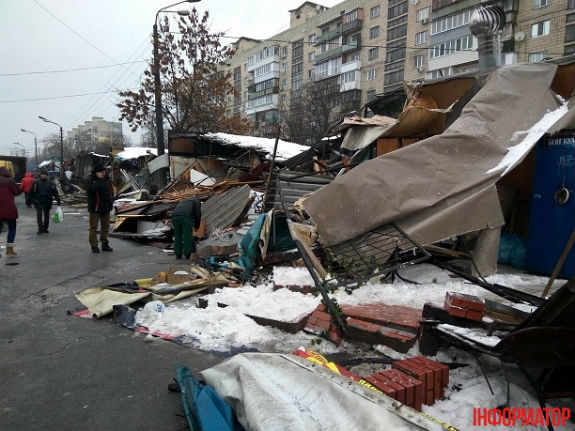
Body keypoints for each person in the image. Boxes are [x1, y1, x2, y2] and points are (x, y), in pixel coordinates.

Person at [85, 164, 114, 253]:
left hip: (106, 207)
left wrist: (111, 202)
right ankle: (94, 245)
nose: (103, 173)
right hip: (95, 207)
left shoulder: (107, 180)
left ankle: (104, 243)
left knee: (105, 226)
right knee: (93, 227)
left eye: (103, 171)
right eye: (100, 172)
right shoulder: (90, 180)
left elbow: (110, 192)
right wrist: (100, 181)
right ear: (96, 172)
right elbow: (91, 190)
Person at [0, 167, 22, 263]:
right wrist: (21, 188)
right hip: (9, 209)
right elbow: (16, 192)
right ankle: (9, 250)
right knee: (12, 229)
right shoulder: (10, 180)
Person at [30, 170, 60, 234]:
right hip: (38, 201)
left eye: (45, 174)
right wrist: (32, 200)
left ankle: (45, 228)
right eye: (42, 174)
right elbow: (31, 192)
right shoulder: (36, 182)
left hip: (47, 201)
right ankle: (40, 229)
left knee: (46, 215)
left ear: (47, 175)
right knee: (39, 215)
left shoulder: (51, 183)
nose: (43, 175)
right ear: (40, 175)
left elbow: (55, 192)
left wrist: (58, 200)